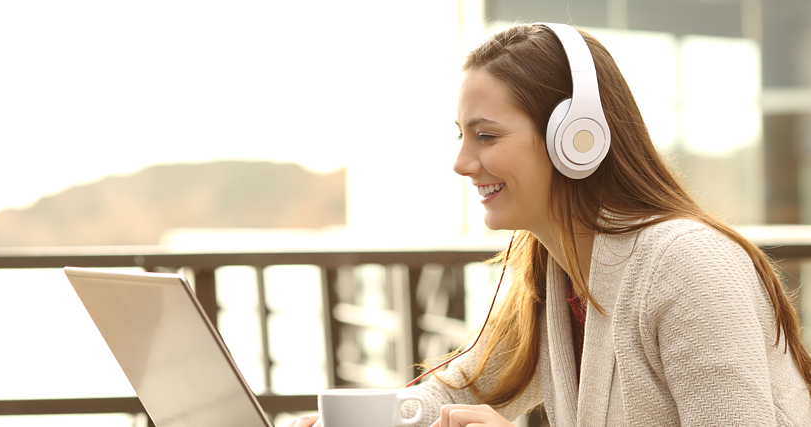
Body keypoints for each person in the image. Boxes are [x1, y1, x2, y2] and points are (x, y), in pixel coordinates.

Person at [289, 22, 811, 426]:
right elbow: (460, 391)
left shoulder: (688, 265)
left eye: (487, 136)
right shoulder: (553, 271)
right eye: (461, 136)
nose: (462, 162)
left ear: (575, 139)